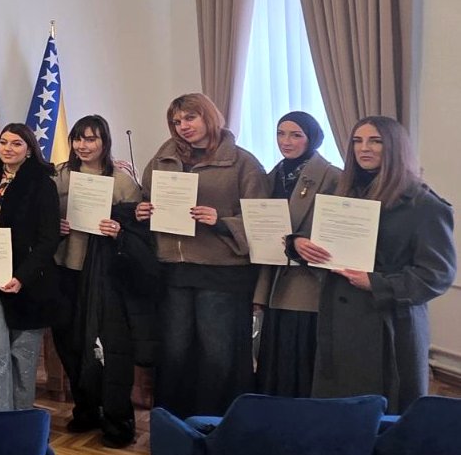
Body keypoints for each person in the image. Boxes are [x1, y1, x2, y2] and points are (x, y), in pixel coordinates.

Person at [296, 116, 456, 413]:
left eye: (375, 141)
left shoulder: (424, 205)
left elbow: (437, 274)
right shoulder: (341, 193)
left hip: (390, 323)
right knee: (338, 411)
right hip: (338, 319)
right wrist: (299, 244)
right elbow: (320, 240)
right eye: (357, 141)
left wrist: (377, 283)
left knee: (384, 416)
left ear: (395, 147)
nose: (364, 148)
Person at [135, 93, 266, 418]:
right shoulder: (162, 158)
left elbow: (262, 221)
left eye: (190, 118)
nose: (183, 126)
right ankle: (174, 426)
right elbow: (145, 197)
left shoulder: (243, 162)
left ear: (209, 116)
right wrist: (142, 210)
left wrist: (220, 221)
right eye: (177, 121)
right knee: (175, 352)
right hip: (173, 269)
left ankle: (217, 425)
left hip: (221, 272)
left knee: (218, 355)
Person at [52, 114, 144, 444]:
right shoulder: (60, 175)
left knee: (109, 348)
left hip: (106, 277)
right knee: (70, 343)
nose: (83, 145)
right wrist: (55, 225)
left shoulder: (122, 181)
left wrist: (119, 231)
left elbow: (139, 232)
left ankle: (117, 418)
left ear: (104, 142)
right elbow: (42, 215)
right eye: (78, 138)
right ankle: (86, 408)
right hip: (66, 269)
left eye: (91, 139)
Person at [0, 123, 61, 412]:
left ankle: (20, 422)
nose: (8, 148)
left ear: (29, 149)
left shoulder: (43, 184)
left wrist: (22, 277)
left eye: (16, 143)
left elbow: (48, 238)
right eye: (4, 142)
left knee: (22, 356)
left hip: (28, 281)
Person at [252, 112, 340, 397]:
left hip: (308, 282)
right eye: (280, 133)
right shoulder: (272, 176)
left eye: (295, 135)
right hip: (275, 277)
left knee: (301, 357)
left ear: (311, 138)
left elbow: (339, 232)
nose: (285, 141)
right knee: (275, 358)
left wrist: (302, 242)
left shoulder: (332, 176)